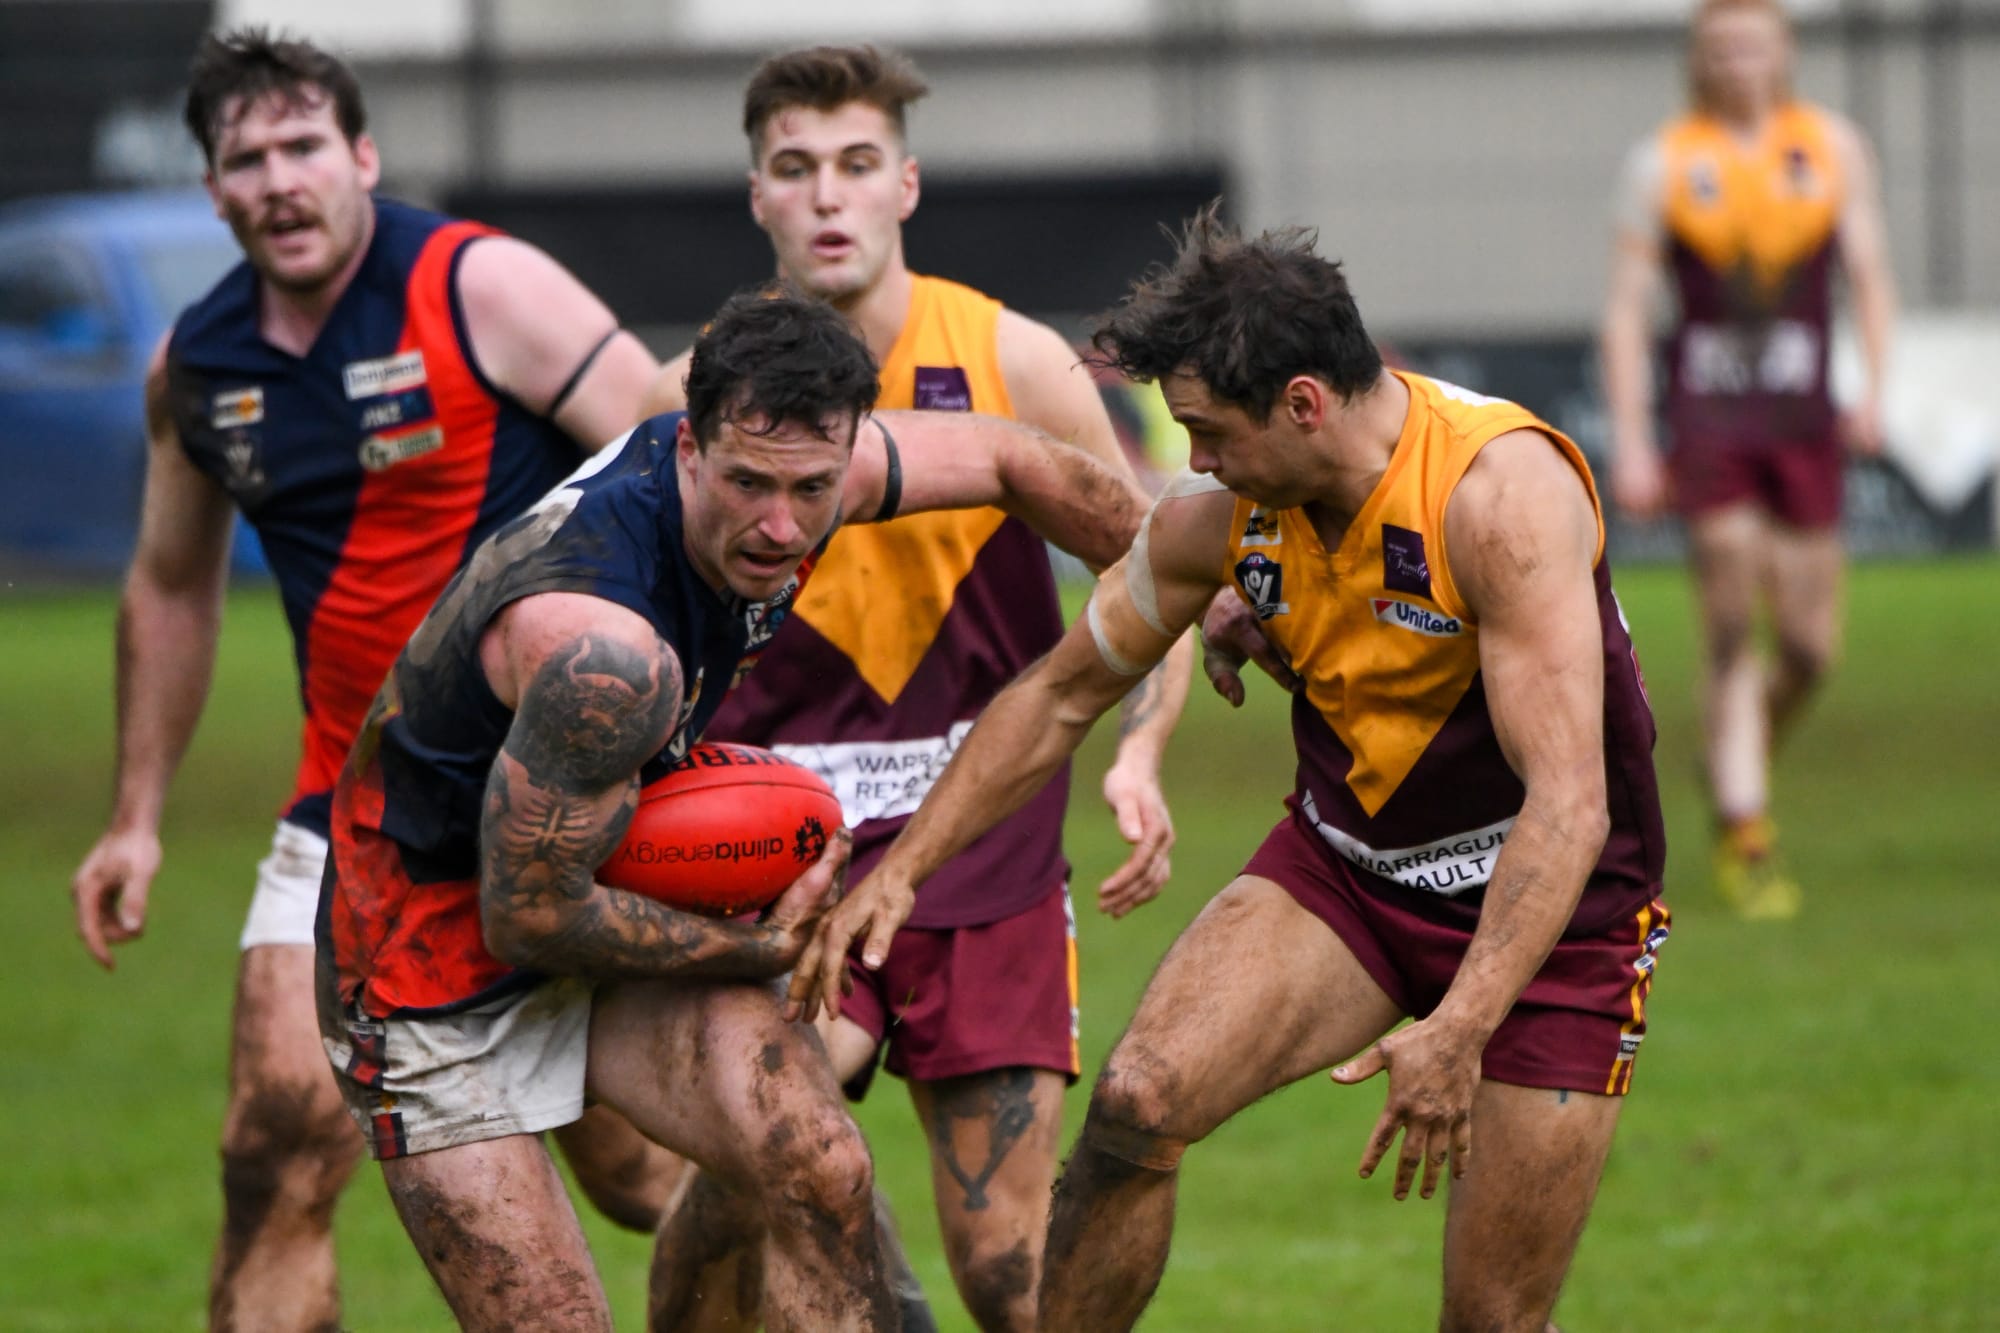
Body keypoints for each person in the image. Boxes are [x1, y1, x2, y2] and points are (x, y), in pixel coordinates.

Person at [793, 211, 1672, 1332]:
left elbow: (1569, 800)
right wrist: (902, 868)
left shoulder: (1496, 495)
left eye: (1207, 432)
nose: (1191, 463)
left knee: (1492, 1320)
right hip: (1350, 878)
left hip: (1559, 925)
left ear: (1303, 403)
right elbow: (1057, 695)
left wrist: (1459, 1025)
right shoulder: (1226, 520)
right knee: (1134, 1102)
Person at [315, 289, 1155, 1332]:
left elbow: (1009, 458)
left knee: (819, 1164)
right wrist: (759, 946)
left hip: (588, 880)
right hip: (426, 971)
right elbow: (523, 917)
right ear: (686, 449)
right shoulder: (601, 652)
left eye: (810, 488)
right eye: (747, 484)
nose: (780, 525)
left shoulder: (809, 468)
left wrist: (1192, 585)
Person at [65, 29, 673, 1330]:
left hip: (550, 797)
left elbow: (668, 472)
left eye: (302, 147)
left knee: (637, 1169)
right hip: (347, 814)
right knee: (274, 1148)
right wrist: (134, 815)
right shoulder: (201, 364)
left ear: (362, 156)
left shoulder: (480, 286)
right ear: (214, 189)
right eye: (246, 159)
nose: (279, 180)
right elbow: (170, 587)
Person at [638, 45, 1191, 1332]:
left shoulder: (1014, 362)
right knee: (742, 1179)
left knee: (1007, 1272)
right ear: (757, 196)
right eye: (794, 169)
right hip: (777, 857)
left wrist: (1137, 754)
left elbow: (1158, 573)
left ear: (906, 185)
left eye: (854, 164)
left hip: (982, 852)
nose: (826, 195)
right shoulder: (685, 400)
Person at [1600, 0, 1895, 919]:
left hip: (1805, 423)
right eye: (1721, 46)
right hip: (1712, 428)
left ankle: (1740, 750)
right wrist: (1637, 440)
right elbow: (1625, 311)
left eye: (1754, 43)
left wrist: (1878, 388)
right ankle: (1747, 828)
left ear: (1783, 51)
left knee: (1810, 647)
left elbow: (1870, 274)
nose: (1738, 61)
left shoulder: (1833, 147)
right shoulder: (1663, 163)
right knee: (1731, 624)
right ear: (1701, 58)